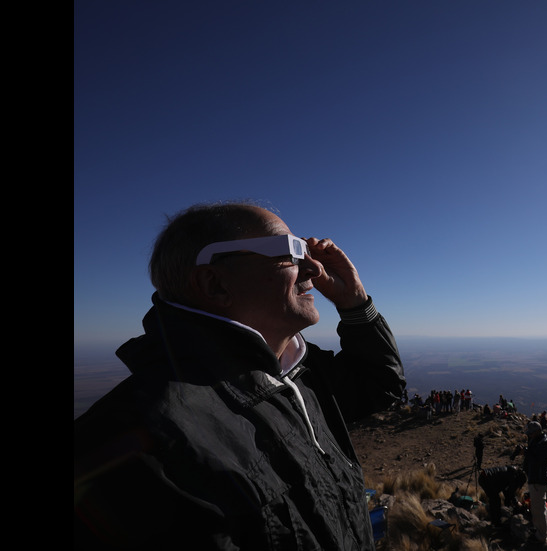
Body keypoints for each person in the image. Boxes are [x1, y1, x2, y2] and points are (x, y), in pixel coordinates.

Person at [73, 202, 406, 550]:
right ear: (214, 283)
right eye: (290, 251)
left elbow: (380, 384)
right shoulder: (134, 445)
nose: (313, 267)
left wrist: (355, 302)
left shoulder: (296, 375)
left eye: (305, 250)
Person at [522, 421, 547, 545]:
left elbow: (537, 462)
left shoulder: (544, 445)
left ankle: (541, 536)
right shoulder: (540, 442)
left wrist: (525, 452)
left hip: (538, 480)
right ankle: (541, 531)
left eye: (531, 433)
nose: (529, 435)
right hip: (537, 478)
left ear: (536, 432)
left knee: (538, 509)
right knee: (539, 508)